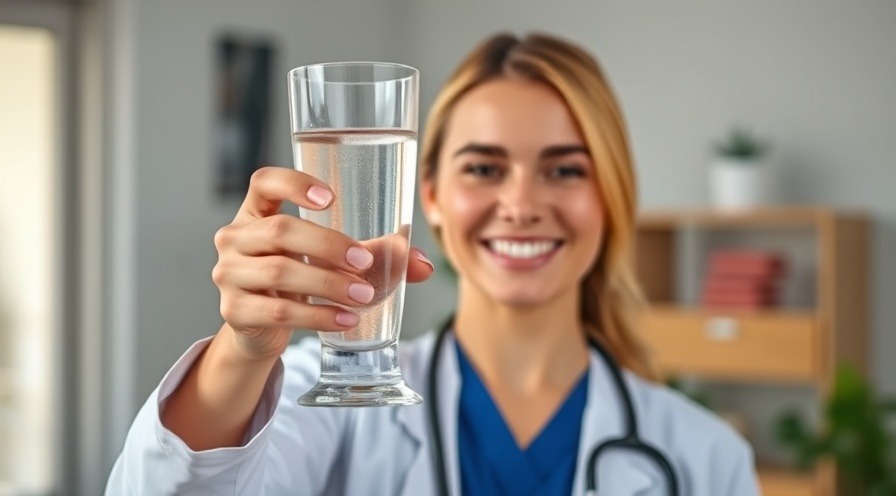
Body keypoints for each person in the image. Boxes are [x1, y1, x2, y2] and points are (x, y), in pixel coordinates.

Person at [106, 32, 759, 495]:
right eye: (483, 168)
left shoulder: (704, 457)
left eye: (564, 169)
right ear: (432, 196)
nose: (522, 204)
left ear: (611, 196)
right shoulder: (320, 401)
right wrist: (243, 351)